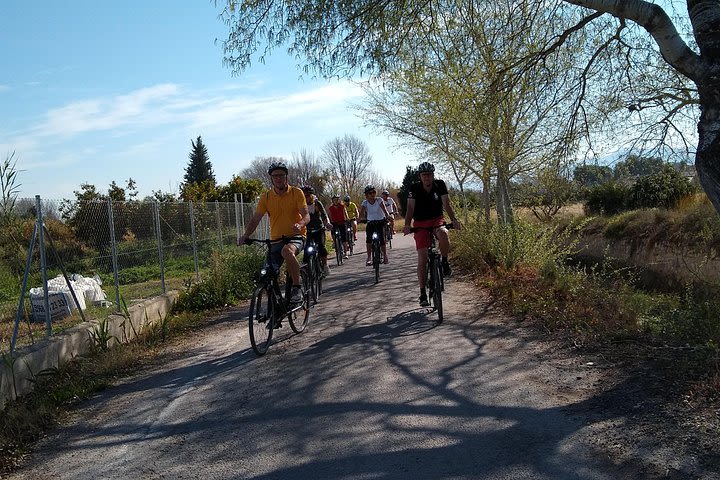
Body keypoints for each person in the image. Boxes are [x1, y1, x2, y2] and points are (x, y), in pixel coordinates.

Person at [239, 161, 310, 306]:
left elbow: (306, 215)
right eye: (275, 176)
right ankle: (275, 308)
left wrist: (300, 224)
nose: (278, 178)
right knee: (267, 275)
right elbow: (256, 219)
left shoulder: (296, 192)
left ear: (286, 177)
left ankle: (296, 287)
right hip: (276, 240)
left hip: (296, 236)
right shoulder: (266, 197)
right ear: (271, 178)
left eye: (281, 175)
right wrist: (245, 235)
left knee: (287, 251)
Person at [402, 161, 462, 307]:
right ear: (420, 176)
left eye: (429, 175)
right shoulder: (414, 188)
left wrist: (454, 219)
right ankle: (422, 293)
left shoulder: (440, 185)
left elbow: (447, 203)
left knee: (444, 234)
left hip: (437, 220)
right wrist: (407, 225)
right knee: (422, 259)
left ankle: (445, 262)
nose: (427, 178)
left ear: (433, 175)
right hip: (420, 224)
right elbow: (410, 207)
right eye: (424, 175)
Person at [302, 185, 333, 276]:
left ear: (312, 195)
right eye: (304, 196)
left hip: (319, 229)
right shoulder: (301, 205)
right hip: (307, 231)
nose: (306, 197)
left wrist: (327, 223)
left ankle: (325, 265)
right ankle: (308, 269)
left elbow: (324, 214)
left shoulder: (317, 203)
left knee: (321, 247)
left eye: (308, 195)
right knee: (306, 250)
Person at [359, 185, 392, 266]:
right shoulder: (365, 202)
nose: (372, 194)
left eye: (374, 192)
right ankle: (369, 257)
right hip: (370, 222)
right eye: (370, 193)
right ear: (366, 195)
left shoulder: (379, 200)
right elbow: (361, 213)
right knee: (369, 240)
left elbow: (384, 209)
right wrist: (359, 219)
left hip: (380, 221)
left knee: (382, 239)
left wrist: (388, 215)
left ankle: (385, 256)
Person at [327, 193, 350, 258]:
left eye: (337, 200)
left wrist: (347, 218)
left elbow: (345, 212)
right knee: (333, 233)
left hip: (342, 222)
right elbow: (329, 215)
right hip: (334, 223)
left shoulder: (342, 206)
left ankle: (345, 253)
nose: (336, 201)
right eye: (334, 200)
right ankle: (335, 241)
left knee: (344, 238)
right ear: (332, 201)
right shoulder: (330, 208)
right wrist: (329, 222)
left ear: (339, 200)